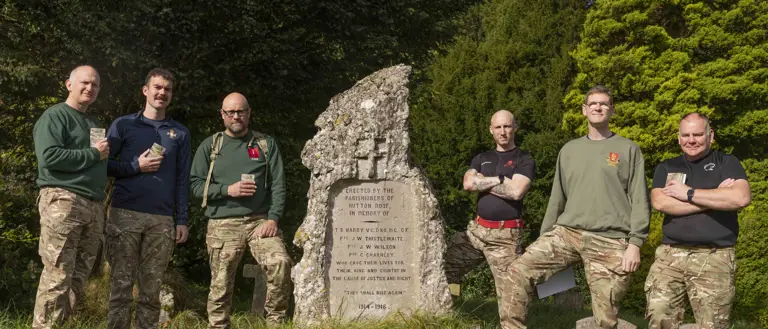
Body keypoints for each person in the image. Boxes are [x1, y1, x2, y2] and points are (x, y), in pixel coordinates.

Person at [505, 85, 650, 329]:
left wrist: (635, 244)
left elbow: (639, 199)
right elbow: (557, 197)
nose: (598, 107)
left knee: (605, 318)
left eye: (604, 103)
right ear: (584, 110)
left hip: (610, 239)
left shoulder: (628, 149)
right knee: (517, 271)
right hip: (567, 234)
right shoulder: (569, 150)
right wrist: (544, 236)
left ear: (611, 110)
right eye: (593, 103)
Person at [189, 93, 292, 328]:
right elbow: (195, 186)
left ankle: (275, 322)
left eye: (241, 111)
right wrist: (228, 189)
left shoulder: (265, 144)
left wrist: (273, 219)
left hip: (259, 222)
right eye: (231, 112)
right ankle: (218, 325)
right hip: (223, 223)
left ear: (249, 113)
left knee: (280, 263)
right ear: (222, 115)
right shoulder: (211, 145)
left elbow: (278, 185)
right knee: (221, 282)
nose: (236, 116)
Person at [645, 113, 751, 329]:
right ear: (678, 137)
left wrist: (688, 193)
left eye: (697, 134)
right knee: (659, 318)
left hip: (714, 256)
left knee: (712, 325)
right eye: (686, 135)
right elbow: (661, 203)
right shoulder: (666, 167)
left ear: (710, 135)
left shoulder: (727, 163)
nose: (691, 140)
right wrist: (714, 197)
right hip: (670, 256)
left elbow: (740, 197)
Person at [104, 68, 191, 329]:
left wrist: (182, 219)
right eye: (157, 87)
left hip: (161, 219)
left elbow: (182, 180)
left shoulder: (180, 133)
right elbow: (103, 165)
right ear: (146, 90)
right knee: (120, 288)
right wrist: (135, 167)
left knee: (151, 292)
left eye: (167, 89)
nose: (162, 92)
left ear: (171, 95)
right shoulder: (124, 125)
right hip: (124, 214)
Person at [32, 65, 109, 328]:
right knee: (57, 277)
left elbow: (100, 164)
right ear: (69, 84)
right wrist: (92, 154)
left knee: (77, 280)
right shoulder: (55, 116)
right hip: (63, 202)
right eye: (84, 83)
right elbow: (49, 157)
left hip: (93, 206)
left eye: (95, 85)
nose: (90, 88)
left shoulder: (93, 123)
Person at [444, 110, 535, 329]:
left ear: (515, 128)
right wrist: (503, 179)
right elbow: (468, 184)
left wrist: (485, 181)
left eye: (507, 126)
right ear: (491, 130)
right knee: (443, 265)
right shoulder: (482, 158)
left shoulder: (524, 159)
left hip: (505, 238)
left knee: (511, 299)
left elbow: (516, 192)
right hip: (476, 233)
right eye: (498, 127)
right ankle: (448, 312)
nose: (502, 132)